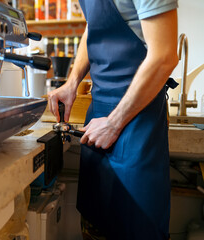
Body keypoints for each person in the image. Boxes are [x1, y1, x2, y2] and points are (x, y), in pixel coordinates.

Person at [48, 0, 178, 239]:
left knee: (135, 226)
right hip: (98, 115)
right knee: (94, 225)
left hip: (137, 121)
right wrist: (72, 82)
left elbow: (165, 55)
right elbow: (94, 27)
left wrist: (114, 122)